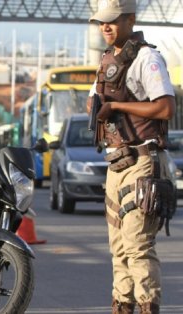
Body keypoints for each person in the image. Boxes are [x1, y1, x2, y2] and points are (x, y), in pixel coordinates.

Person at [88, 1, 176, 313]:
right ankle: (122, 304)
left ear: (130, 20)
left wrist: (118, 107)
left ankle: (147, 305)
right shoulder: (106, 60)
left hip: (142, 162)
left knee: (138, 246)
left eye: (112, 22)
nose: (105, 28)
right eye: (101, 23)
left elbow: (165, 107)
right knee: (119, 248)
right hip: (116, 162)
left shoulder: (146, 57)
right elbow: (94, 103)